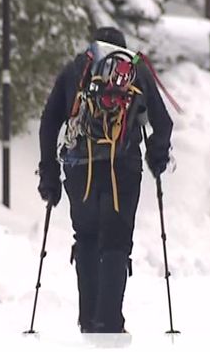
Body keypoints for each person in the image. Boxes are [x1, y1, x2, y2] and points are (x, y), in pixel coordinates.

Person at [37, 26, 173, 333]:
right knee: (116, 239)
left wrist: (49, 173)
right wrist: (157, 155)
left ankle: (88, 320)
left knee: (85, 237)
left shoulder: (76, 69)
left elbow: (49, 122)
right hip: (123, 168)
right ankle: (110, 321)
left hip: (78, 168)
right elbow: (162, 122)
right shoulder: (136, 70)